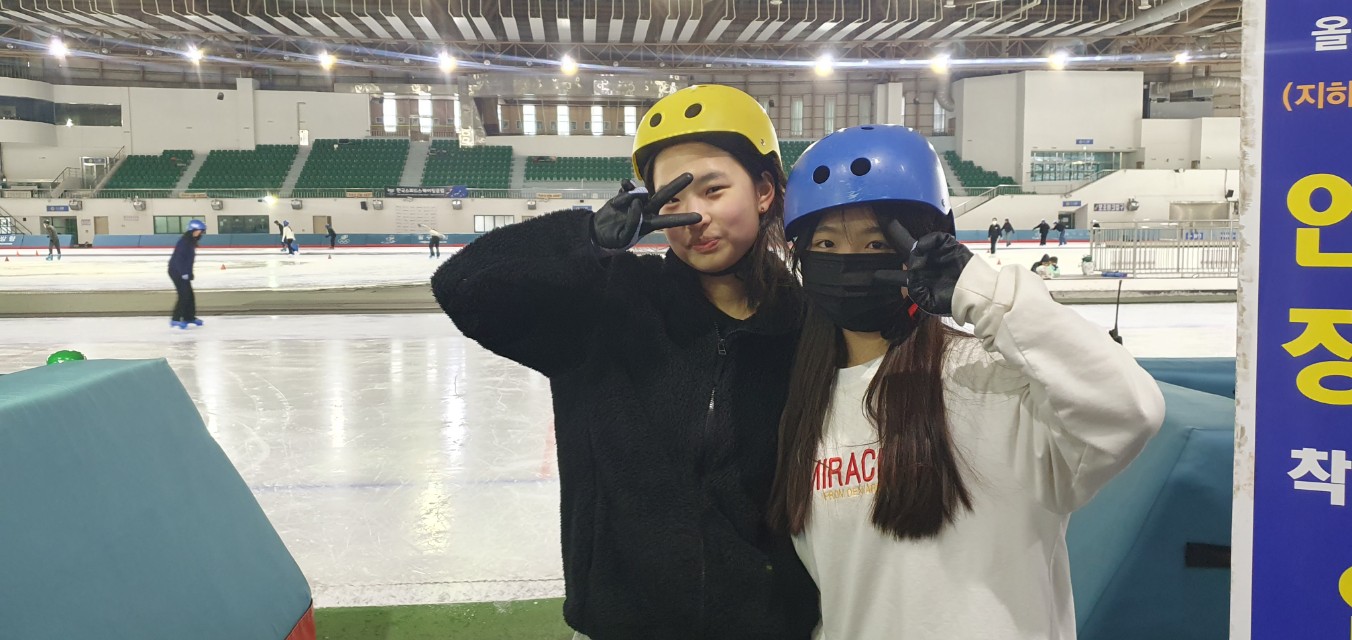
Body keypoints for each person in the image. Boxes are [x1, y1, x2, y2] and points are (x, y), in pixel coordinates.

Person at [430, 84, 819, 640]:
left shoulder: (805, 327)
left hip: (763, 625)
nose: (695, 216)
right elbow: (464, 288)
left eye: (714, 190)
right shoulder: (608, 303)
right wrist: (586, 240)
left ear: (763, 191)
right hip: (621, 622)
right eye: (672, 199)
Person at [770, 124, 1165, 640]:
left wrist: (984, 292)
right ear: (801, 256)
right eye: (826, 242)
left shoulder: (998, 382)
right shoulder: (804, 407)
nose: (849, 260)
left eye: (876, 242)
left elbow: (1131, 409)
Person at [168, 220, 207, 329]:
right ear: (192, 230)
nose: (200, 233)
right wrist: (184, 273)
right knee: (184, 295)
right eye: (199, 231)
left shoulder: (190, 241)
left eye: (201, 231)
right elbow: (179, 259)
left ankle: (189, 317)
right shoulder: (184, 241)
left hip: (183, 271)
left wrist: (189, 273)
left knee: (190, 295)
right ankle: (175, 319)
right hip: (176, 271)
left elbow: (188, 260)